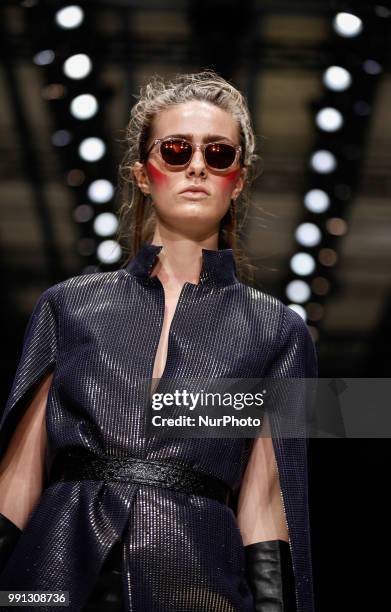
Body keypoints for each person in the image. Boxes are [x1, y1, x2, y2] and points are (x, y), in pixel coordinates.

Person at [0, 70, 317, 612]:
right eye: (175, 150)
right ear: (143, 174)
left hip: (196, 584)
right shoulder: (68, 305)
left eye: (218, 154)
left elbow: (266, 502)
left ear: (237, 179)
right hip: (51, 576)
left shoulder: (276, 330)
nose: (197, 165)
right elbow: (21, 475)